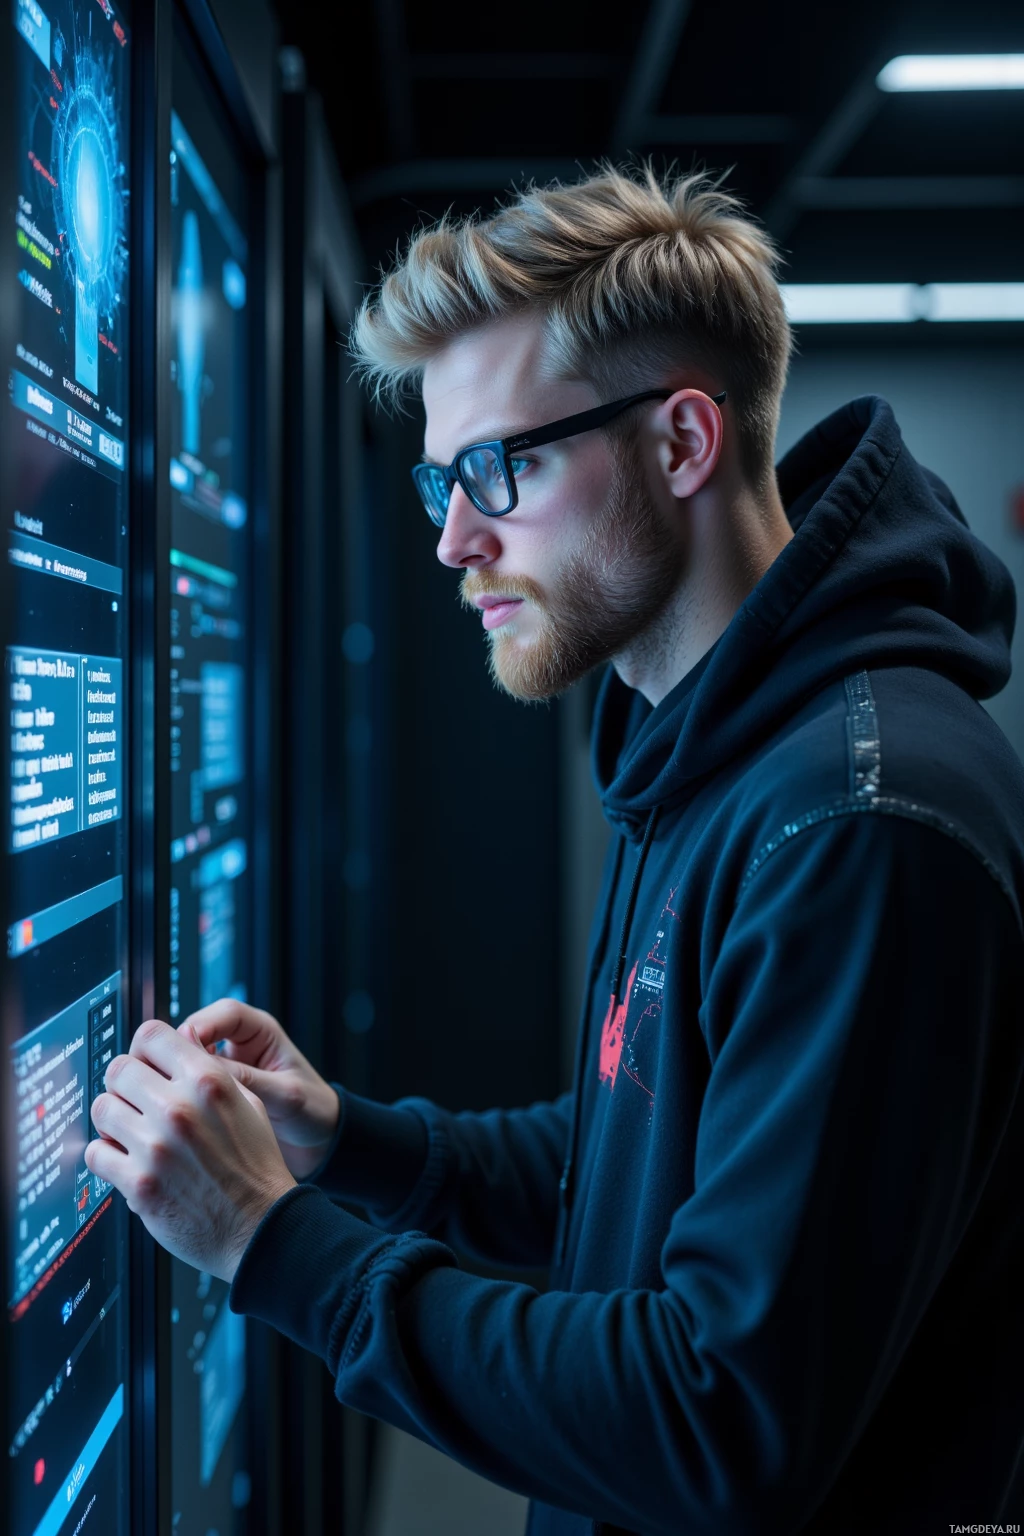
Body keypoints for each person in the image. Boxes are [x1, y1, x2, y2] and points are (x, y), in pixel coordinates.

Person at [86, 167, 1024, 1536]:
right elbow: (634, 1166)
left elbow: (717, 1422)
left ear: (683, 442)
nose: (457, 538)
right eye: (438, 479)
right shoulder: (707, 754)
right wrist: (348, 1142)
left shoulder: (856, 821)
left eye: (497, 469)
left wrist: (268, 1242)